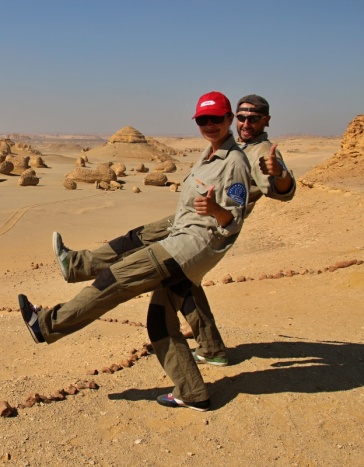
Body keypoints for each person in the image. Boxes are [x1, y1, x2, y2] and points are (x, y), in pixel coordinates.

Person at [19, 91, 252, 411]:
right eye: (202, 120)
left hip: (187, 249)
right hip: (181, 241)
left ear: (229, 120)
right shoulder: (210, 154)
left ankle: (45, 326)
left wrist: (215, 209)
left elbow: (233, 221)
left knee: (112, 282)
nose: (209, 125)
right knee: (159, 321)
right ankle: (193, 392)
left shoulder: (234, 162)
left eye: (215, 119)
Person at [50, 94, 295, 367]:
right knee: (175, 273)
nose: (246, 123)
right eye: (242, 117)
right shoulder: (235, 144)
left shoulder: (261, 152)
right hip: (195, 216)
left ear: (266, 120)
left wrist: (281, 175)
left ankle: (76, 266)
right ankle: (212, 348)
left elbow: (280, 191)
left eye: (254, 118)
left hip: (206, 224)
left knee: (145, 248)